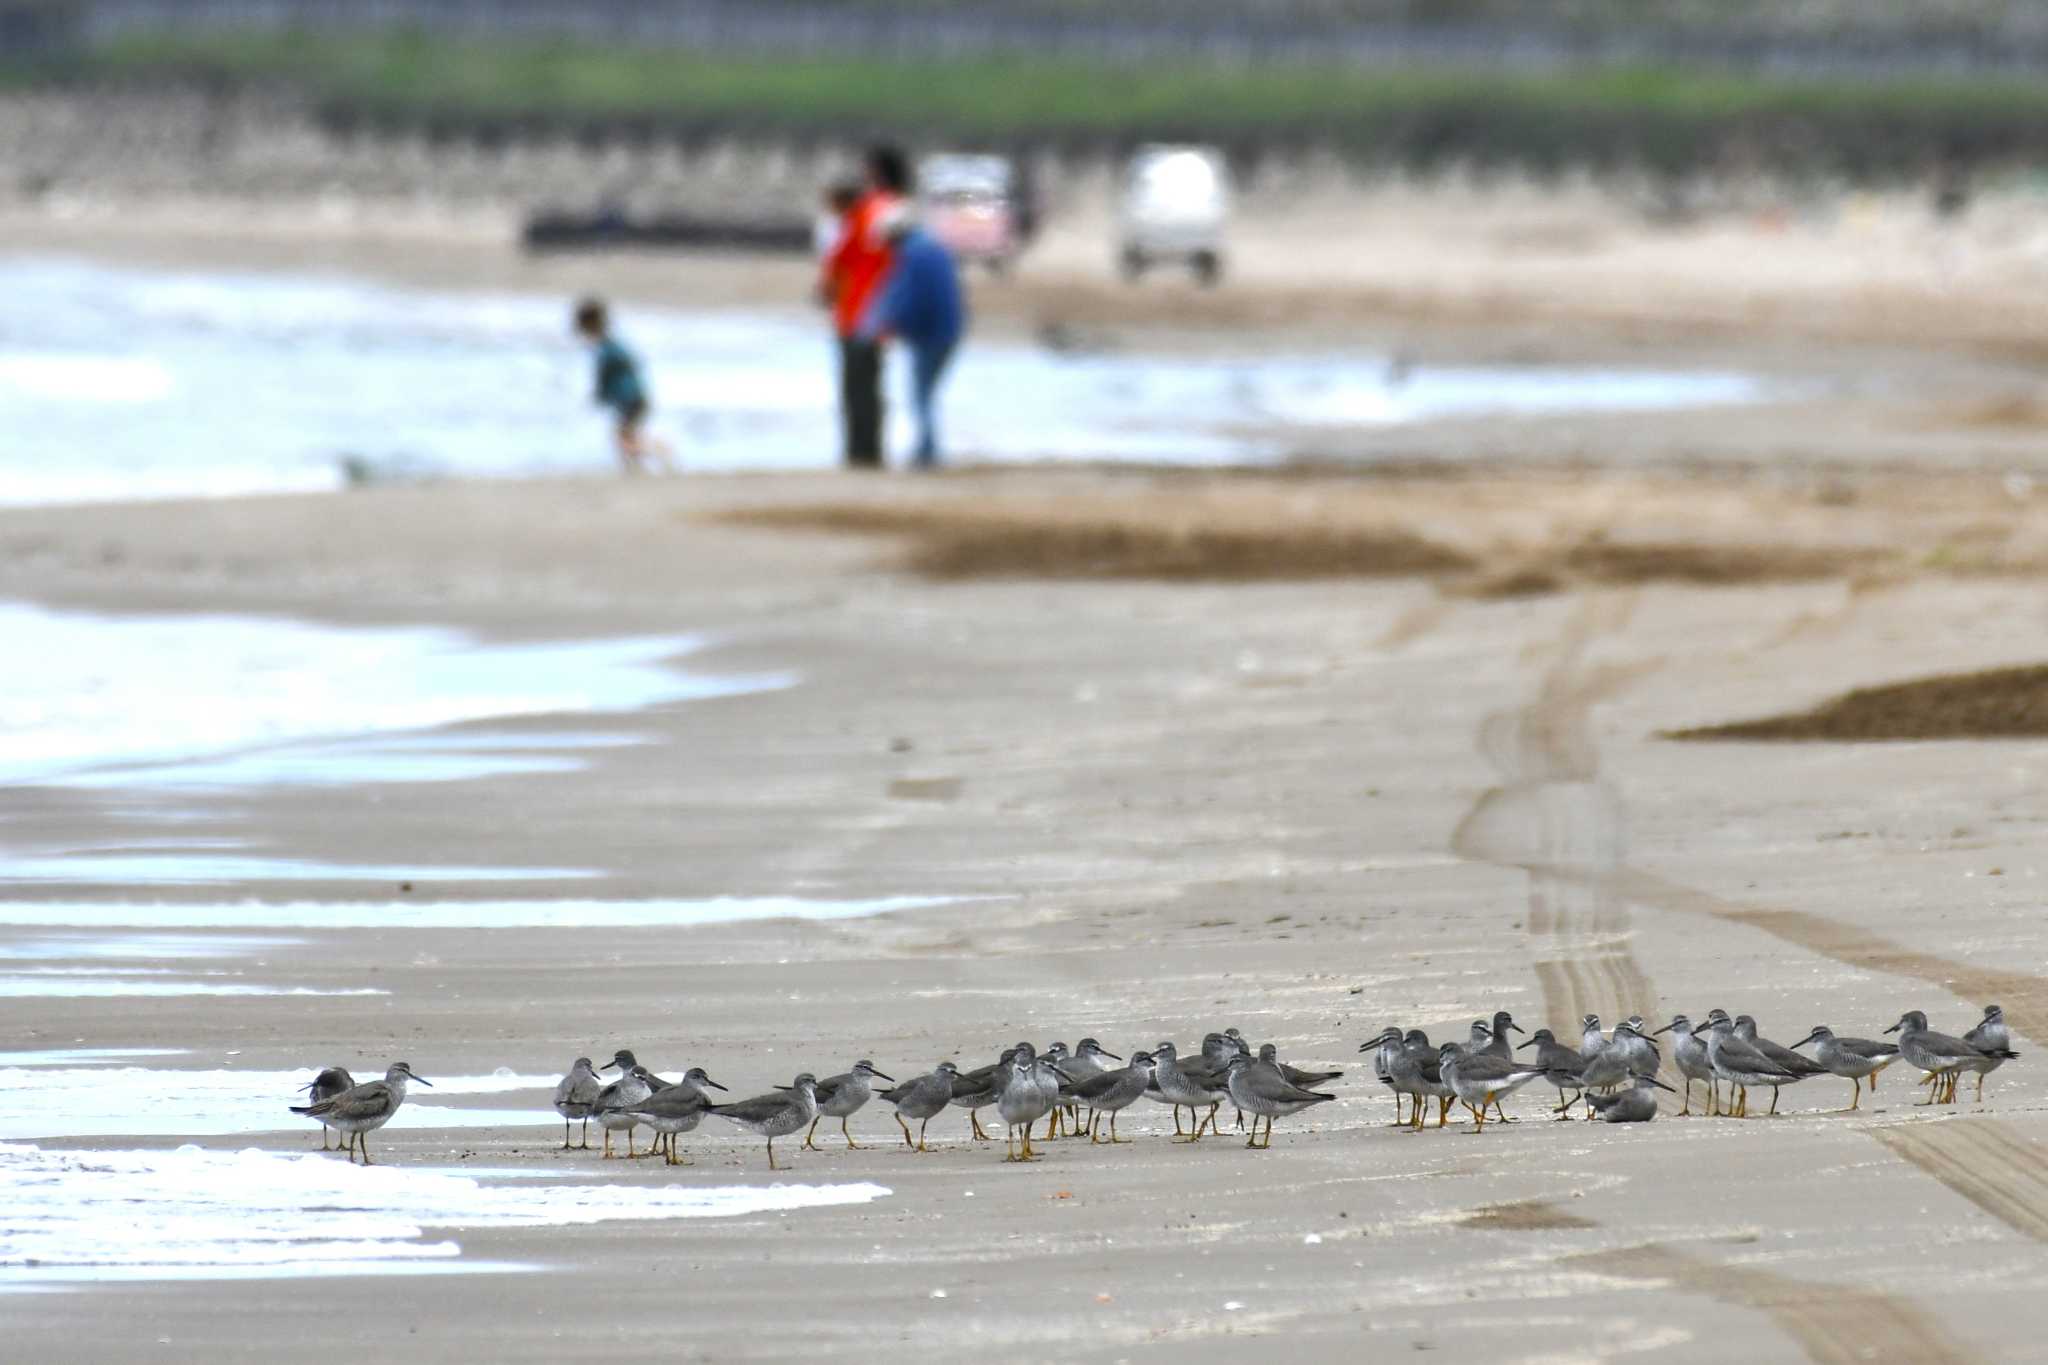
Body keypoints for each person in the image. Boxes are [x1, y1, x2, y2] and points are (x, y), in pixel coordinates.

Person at [820, 146, 909, 469]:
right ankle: (870, 451)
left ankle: (860, 453)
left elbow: (839, 259)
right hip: (881, 314)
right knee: (870, 385)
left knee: (857, 388)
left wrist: (827, 289)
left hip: (858, 312)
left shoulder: (869, 212)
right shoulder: (899, 211)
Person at [861, 211, 966, 469]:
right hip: (948, 331)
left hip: (931, 335)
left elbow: (906, 298)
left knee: (920, 395)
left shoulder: (912, 256)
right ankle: (926, 448)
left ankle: (927, 451)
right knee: (926, 394)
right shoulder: (934, 249)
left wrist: (887, 325)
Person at [572, 296, 670, 473]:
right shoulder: (612, 345)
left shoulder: (606, 349)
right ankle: (637, 467)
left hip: (631, 398)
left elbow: (604, 377)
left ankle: (659, 451)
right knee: (625, 435)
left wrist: (599, 396)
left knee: (624, 438)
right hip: (635, 397)